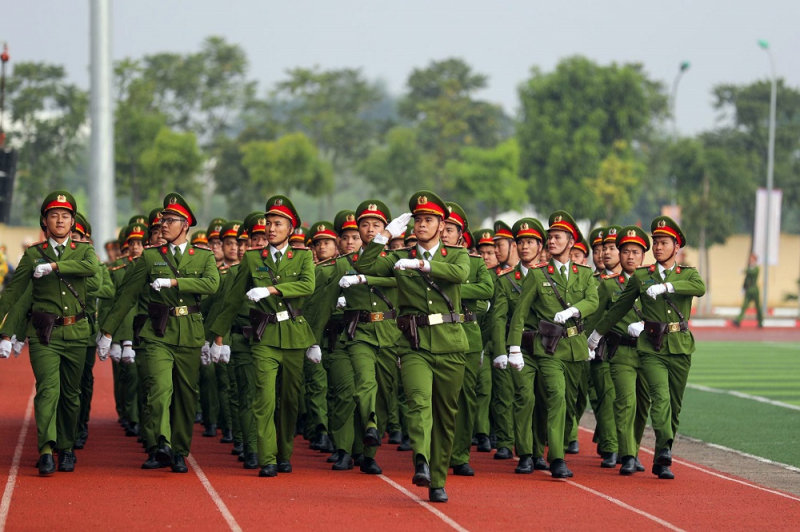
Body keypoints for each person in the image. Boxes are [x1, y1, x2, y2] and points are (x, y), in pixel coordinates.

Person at [355, 190, 469, 503]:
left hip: (450, 345)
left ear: (441, 225)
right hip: (414, 344)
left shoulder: (455, 255)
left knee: (445, 417)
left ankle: (438, 479)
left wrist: (421, 265)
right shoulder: (397, 257)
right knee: (418, 402)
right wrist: (385, 235)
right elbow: (364, 265)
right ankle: (421, 459)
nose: (421, 224)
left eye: (428, 219)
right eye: (417, 219)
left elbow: (460, 274)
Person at [99, 193, 220, 473]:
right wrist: (108, 332)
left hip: (190, 332)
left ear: (185, 225)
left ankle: (179, 451)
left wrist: (175, 282)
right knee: (158, 389)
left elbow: (212, 284)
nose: (163, 224)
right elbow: (127, 296)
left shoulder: (203, 257)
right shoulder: (151, 256)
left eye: (170, 220)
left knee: (185, 396)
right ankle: (161, 444)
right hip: (157, 333)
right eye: (163, 220)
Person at [589, 216, 706, 480]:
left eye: (664, 242)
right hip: (652, 348)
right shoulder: (642, 276)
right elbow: (618, 308)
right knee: (659, 398)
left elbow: (700, 288)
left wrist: (668, 286)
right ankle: (661, 451)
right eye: (656, 242)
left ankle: (662, 455)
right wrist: (596, 334)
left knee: (674, 405)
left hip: (680, 346)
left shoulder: (688, 274)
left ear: (676, 246)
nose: (659, 247)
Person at [210, 195, 316, 478]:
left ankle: (284, 454)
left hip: (293, 335)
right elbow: (233, 300)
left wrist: (270, 290)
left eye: (277, 223)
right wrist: (218, 336)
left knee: (289, 400)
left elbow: (307, 285)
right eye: (268, 223)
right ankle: (267, 458)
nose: (271, 228)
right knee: (264, 398)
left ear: (290, 228)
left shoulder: (303, 256)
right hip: (264, 336)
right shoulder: (253, 258)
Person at [0, 191, 100, 475]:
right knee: (47, 390)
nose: (59, 220)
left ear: (72, 221)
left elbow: (91, 268)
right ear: (44, 221)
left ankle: (66, 448)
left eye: (65, 216)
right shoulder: (33, 254)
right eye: (54, 215)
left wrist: (55, 266)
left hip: (77, 332)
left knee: (71, 394)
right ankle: (46, 449)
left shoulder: (84, 251)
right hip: (45, 335)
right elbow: (14, 292)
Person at [507, 210, 598, 478]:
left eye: (558, 237)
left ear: (571, 241)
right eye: (551, 237)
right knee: (556, 397)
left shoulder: (584, 273)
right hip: (549, 348)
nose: (552, 241)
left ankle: (555, 446)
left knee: (570, 403)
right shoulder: (538, 274)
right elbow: (520, 313)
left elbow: (593, 301)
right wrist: (514, 348)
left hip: (576, 347)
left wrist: (573, 311)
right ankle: (557, 458)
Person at [491, 217, 550, 474]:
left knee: (544, 400)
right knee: (524, 397)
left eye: (530, 242)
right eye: (521, 242)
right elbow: (498, 318)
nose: (525, 247)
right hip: (520, 348)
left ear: (540, 246)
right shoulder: (506, 280)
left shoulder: (550, 276)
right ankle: (525, 453)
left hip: (547, 346)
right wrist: (500, 351)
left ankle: (539, 451)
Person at [443, 203, 494, 477]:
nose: (444, 234)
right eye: (442, 228)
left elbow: (487, 288)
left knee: (465, 398)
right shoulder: (425, 262)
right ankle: (435, 452)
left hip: (467, 335)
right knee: (438, 396)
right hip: (436, 333)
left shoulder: (474, 263)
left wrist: (454, 286)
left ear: (461, 236)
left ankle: (460, 454)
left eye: (450, 230)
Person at [599, 225, 652, 475]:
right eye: (626, 251)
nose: (630, 256)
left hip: (649, 351)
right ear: (620, 255)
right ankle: (627, 454)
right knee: (625, 402)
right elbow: (596, 318)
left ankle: (634, 449)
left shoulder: (653, 283)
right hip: (621, 352)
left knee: (643, 405)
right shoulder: (608, 285)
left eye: (635, 252)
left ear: (643, 256)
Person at [489, 220, 518, 459]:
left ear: (513, 245)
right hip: (503, 341)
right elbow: (495, 318)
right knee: (503, 394)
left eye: (500, 245)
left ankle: (528, 443)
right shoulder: (497, 276)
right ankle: (506, 441)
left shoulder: (537, 273)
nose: (496, 250)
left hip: (532, 342)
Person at [734, 253, 763, 328]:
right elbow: (746, 280)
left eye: (752, 259)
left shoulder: (756, 269)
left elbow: (752, 273)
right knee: (744, 306)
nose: (750, 261)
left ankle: (760, 322)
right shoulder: (749, 268)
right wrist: (743, 288)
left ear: (755, 260)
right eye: (750, 259)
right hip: (748, 290)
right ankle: (738, 320)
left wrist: (744, 270)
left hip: (754, 290)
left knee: (758, 307)